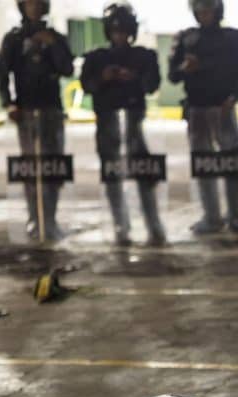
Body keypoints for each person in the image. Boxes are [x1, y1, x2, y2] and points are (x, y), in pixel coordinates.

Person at [81, 2, 166, 246]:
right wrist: (103, 77)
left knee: (143, 172)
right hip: (107, 121)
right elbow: (87, 85)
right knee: (112, 173)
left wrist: (135, 78)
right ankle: (120, 226)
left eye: (125, 31)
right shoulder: (97, 58)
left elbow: (153, 84)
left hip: (135, 121)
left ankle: (153, 224)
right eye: (116, 31)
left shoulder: (143, 56)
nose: (121, 36)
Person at [169, 0, 238, 235]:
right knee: (204, 165)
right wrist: (184, 68)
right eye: (200, 10)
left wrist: (235, 96)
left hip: (224, 108)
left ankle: (237, 215)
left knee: (233, 163)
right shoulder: (186, 38)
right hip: (197, 109)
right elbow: (172, 75)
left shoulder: (233, 38)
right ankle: (211, 216)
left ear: (217, 11)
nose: (204, 14)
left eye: (208, 9)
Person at [0, 0, 74, 241]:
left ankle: (50, 219)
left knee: (53, 167)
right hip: (26, 110)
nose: (34, 8)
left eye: (38, 3)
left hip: (51, 109)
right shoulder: (14, 39)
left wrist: (53, 47)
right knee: (31, 169)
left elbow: (68, 69)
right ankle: (35, 219)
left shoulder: (56, 38)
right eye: (29, 3)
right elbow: (1, 73)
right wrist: (9, 103)